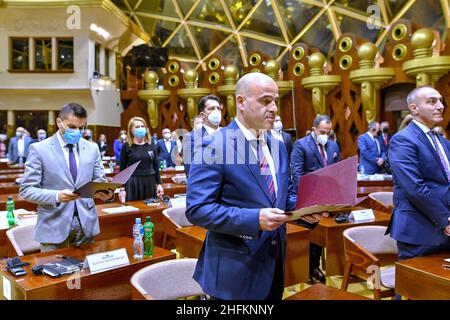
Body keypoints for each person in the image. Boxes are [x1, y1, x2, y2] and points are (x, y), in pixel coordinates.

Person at [186, 73, 325, 300]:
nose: (273, 108)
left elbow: (281, 197)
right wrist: (254, 219)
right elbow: (197, 209)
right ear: (241, 102)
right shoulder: (214, 145)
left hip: (273, 263)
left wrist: (306, 211)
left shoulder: (278, 144)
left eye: (276, 101)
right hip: (234, 272)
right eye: (265, 101)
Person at [19, 103, 114, 252]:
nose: (78, 132)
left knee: (87, 274)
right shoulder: (39, 149)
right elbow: (27, 189)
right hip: (54, 224)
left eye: (82, 128)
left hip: (86, 224)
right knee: (53, 273)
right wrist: (57, 196)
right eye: (72, 127)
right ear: (59, 123)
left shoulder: (92, 148)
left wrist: (107, 192)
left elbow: (99, 180)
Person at [387, 86, 450, 260]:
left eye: (440, 101)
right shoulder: (403, 140)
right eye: (432, 101)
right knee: (417, 286)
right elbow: (414, 187)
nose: (440, 106)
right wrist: (445, 220)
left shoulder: (442, 141)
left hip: (445, 225)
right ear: (414, 108)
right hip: (420, 229)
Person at [290, 114, 340, 283]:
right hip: (308, 199)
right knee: (307, 237)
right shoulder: (301, 145)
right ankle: (303, 270)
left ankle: (314, 267)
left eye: (328, 131)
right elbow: (297, 174)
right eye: (322, 131)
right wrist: (309, 195)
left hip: (326, 200)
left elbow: (336, 171)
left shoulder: (333, 145)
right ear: (314, 129)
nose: (325, 135)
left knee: (319, 236)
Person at [120, 117, 164, 201]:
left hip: (150, 181)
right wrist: (122, 189)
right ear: (131, 130)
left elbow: (156, 166)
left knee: (150, 209)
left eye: (142, 126)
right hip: (133, 182)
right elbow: (122, 169)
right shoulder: (126, 146)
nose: (140, 128)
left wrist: (159, 184)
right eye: (137, 127)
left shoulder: (152, 145)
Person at [182, 95, 222, 176]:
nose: (216, 111)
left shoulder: (227, 135)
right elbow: (190, 170)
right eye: (211, 108)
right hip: (205, 186)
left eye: (218, 108)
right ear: (203, 115)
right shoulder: (191, 138)